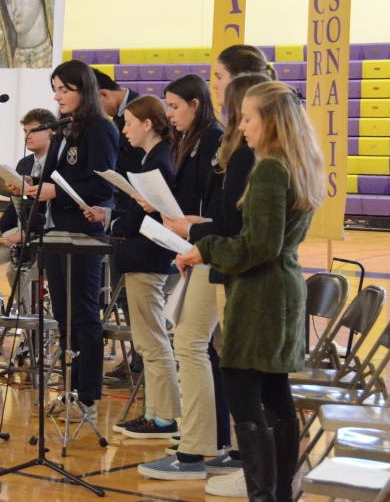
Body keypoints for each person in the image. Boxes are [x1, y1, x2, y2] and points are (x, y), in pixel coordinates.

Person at [176, 81, 325, 502]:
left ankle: (264, 495)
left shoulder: (271, 169)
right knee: (276, 393)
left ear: (272, 122)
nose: (241, 128)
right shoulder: (297, 163)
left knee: (243, 392)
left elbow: (259, 245)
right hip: (282, 289)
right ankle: (278, 493)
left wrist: (203, 249)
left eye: (247, 118)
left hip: (263, 293)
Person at [136, 73, 224, 480]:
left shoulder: (213, 139)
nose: (169, 115)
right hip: (198, 247)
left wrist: (191, 228)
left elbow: (215, 210)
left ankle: (198, 447)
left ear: (195, 103)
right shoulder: (193, 143)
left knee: (192, 346)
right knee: (202, 349)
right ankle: (210, 437)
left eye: (173, 106)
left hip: (210, 252)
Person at [24, 59, 118, 420]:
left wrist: (55, 193)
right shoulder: (63, 128)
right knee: (63, 317)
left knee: (83, 315)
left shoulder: (100, 129)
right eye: (56, 89)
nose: (58, 96)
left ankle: (88, 396)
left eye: (66, 90)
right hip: (55, 234)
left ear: (85, 91)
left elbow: (101, 186)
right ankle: (70, 389)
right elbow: (54, 179)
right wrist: (35, 190)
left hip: (84, 234)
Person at [84, 96, 180, 439]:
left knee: (153, 342)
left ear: (147, 124)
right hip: (144, 257)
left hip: (149, 258)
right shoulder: (152, 158)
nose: (123, 130)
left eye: (127, 123)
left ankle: (165, 417)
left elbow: (153, 216)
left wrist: (115, 222)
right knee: (147, 342)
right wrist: (111, 216)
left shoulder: (159, 161)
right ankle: (155, 413)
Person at [93, 68, 144, 379]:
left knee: (135, 296)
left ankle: (142, 361)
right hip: (122, 216)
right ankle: (137, 360)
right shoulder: (116, 119)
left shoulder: (141, 112)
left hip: (138, 219)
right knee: (122, 295)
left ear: (104, 95)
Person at [0, 107, 56, 305]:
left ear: (50, 132)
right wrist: (0, 228)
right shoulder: (24, 163)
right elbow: (14, 205)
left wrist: (25, 235)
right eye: (25, 131)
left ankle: (32, 325)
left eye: (34, 131)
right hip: (21, 229)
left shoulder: (57, 163)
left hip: (45, 232)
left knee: (14, 270)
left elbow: (49, 210)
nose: (27, 136)